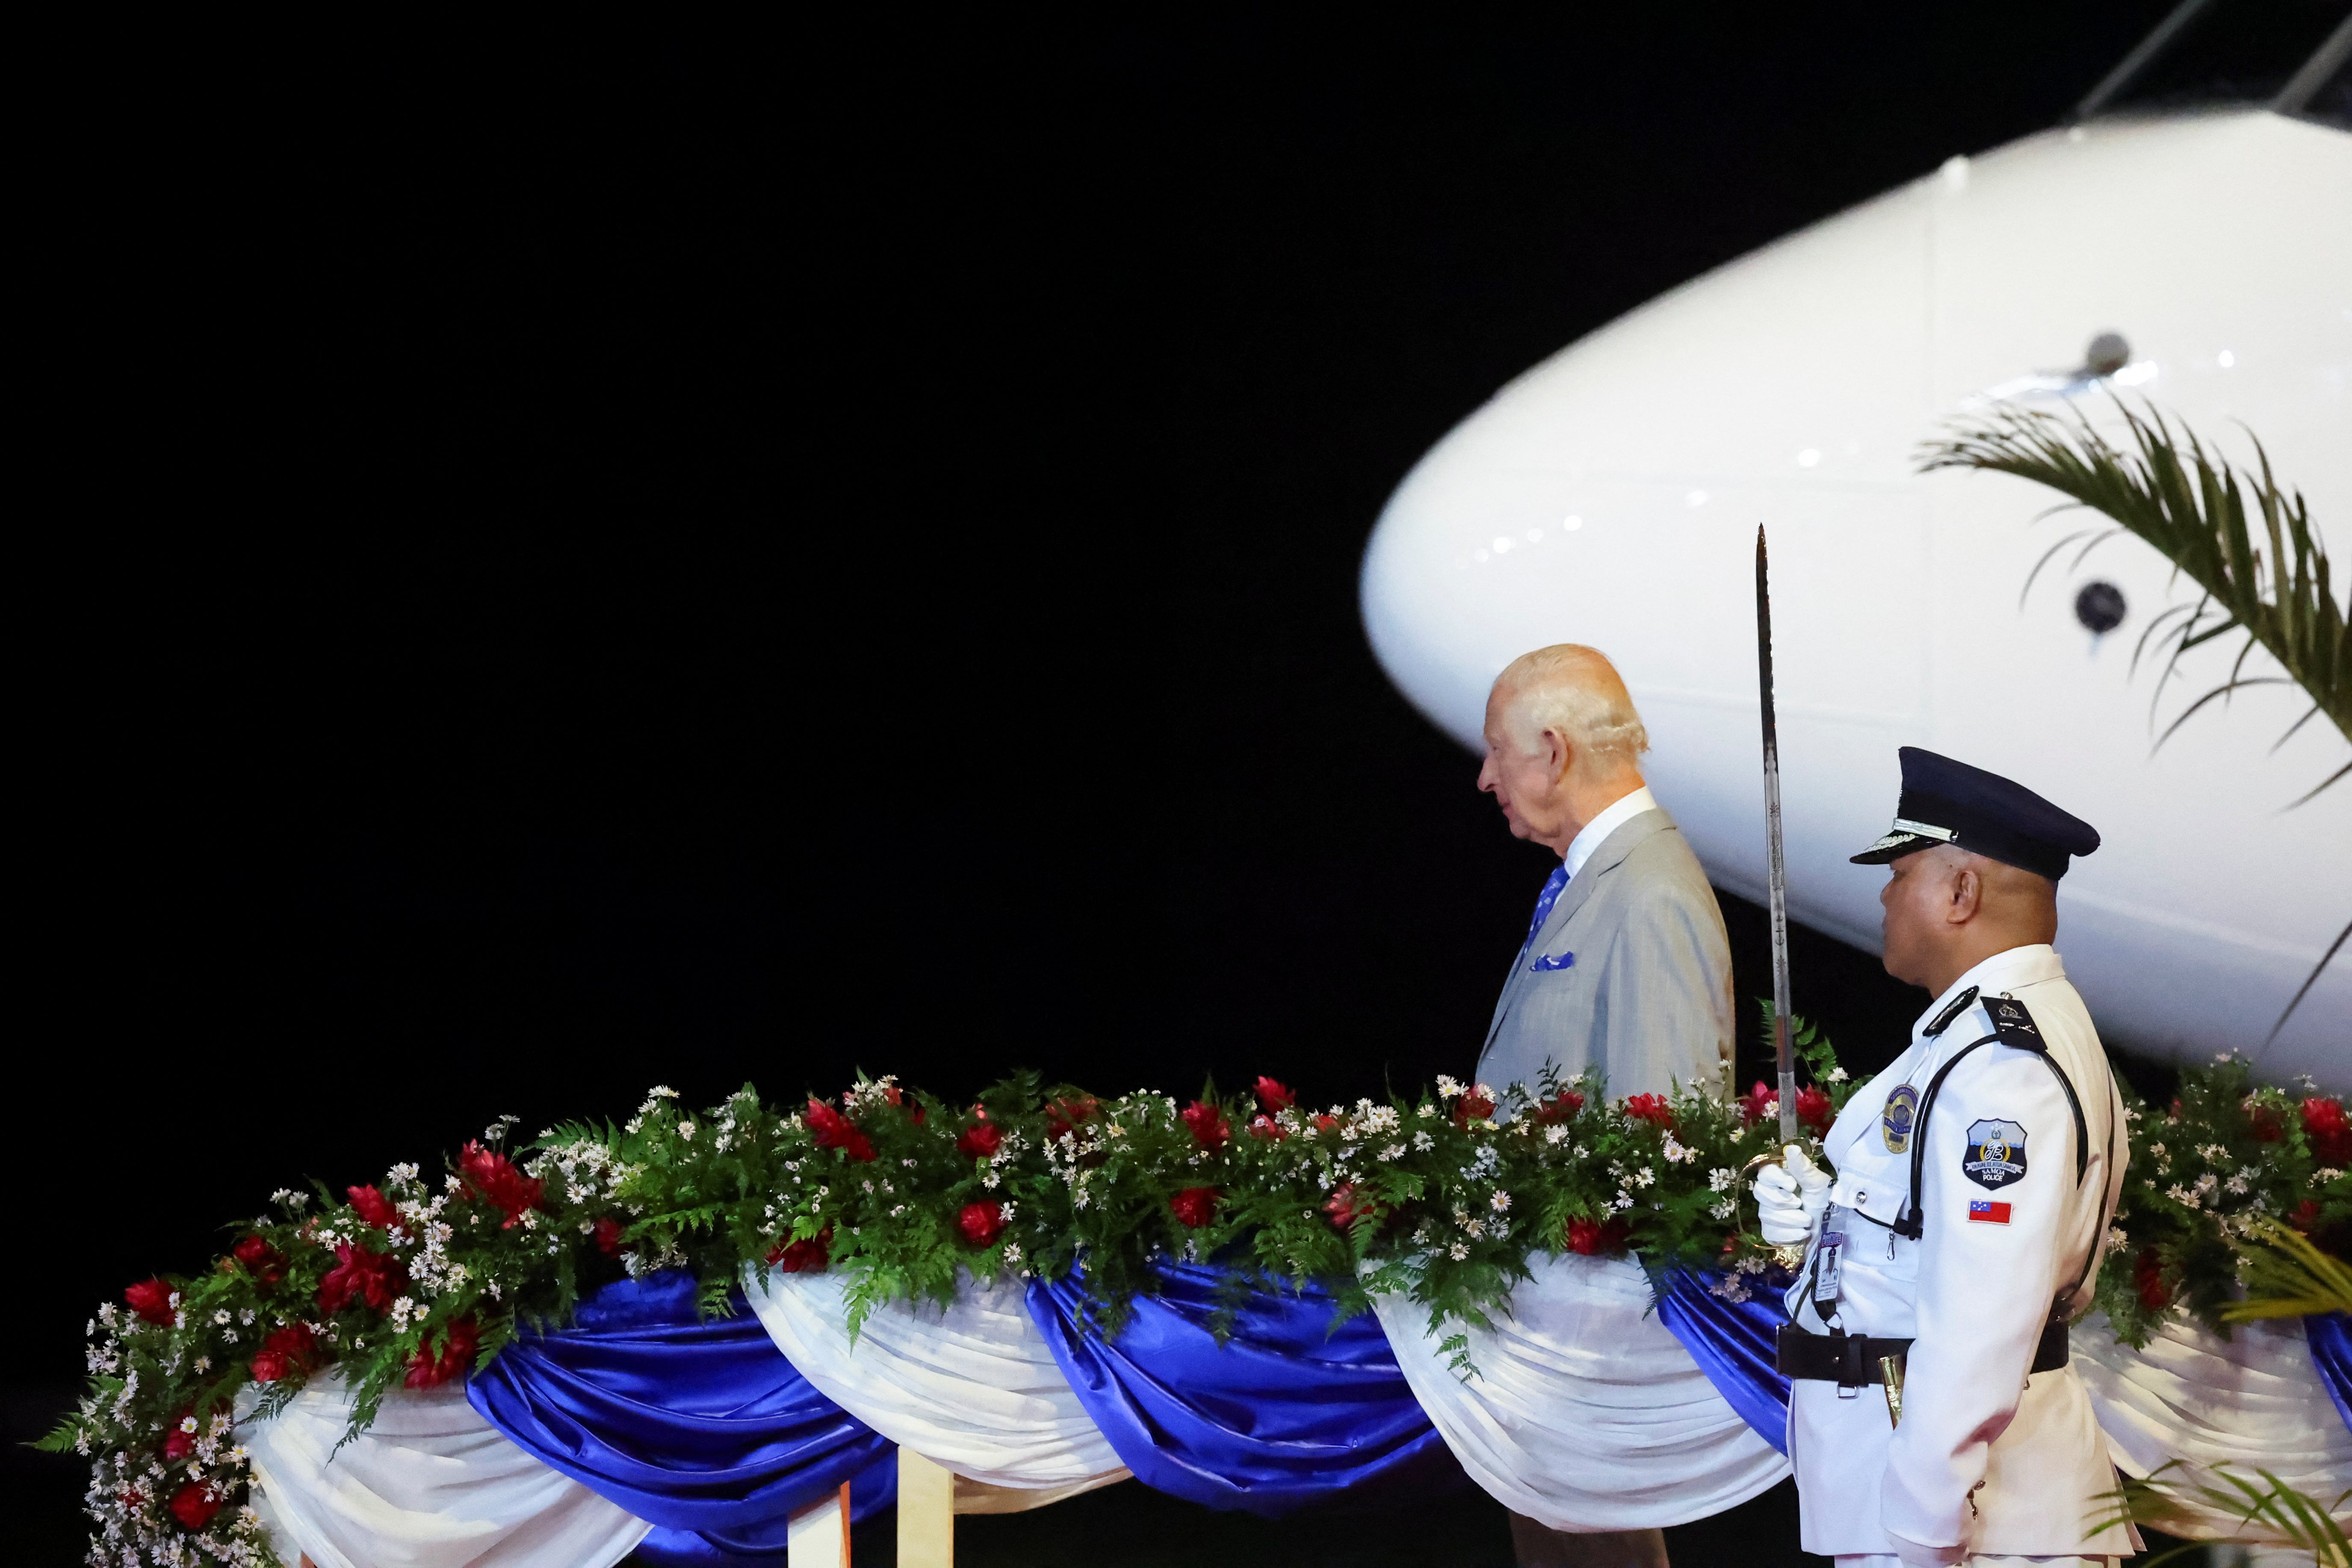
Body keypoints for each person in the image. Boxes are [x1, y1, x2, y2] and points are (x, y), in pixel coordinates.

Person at [1752, 747, 2134, 1567]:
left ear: (1961, 891)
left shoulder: (2003, 1063)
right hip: (1940, 1497)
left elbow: (1984, 1313)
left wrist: (1924, 1522)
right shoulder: (1978, 1037)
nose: (1887, 893)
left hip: (1965, 1519)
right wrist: (1827, 1212)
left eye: (1902, 868)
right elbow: (1927, 1238)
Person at [1473, 644, 1736, 1568]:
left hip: (1585, 1358)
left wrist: (1595, 1372)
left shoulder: (1650, 892)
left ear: (1549, 748)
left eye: (1495, 752)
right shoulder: (1598, 882)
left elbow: (1658, 1153)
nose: (1484, 779)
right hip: (1546, 1346)